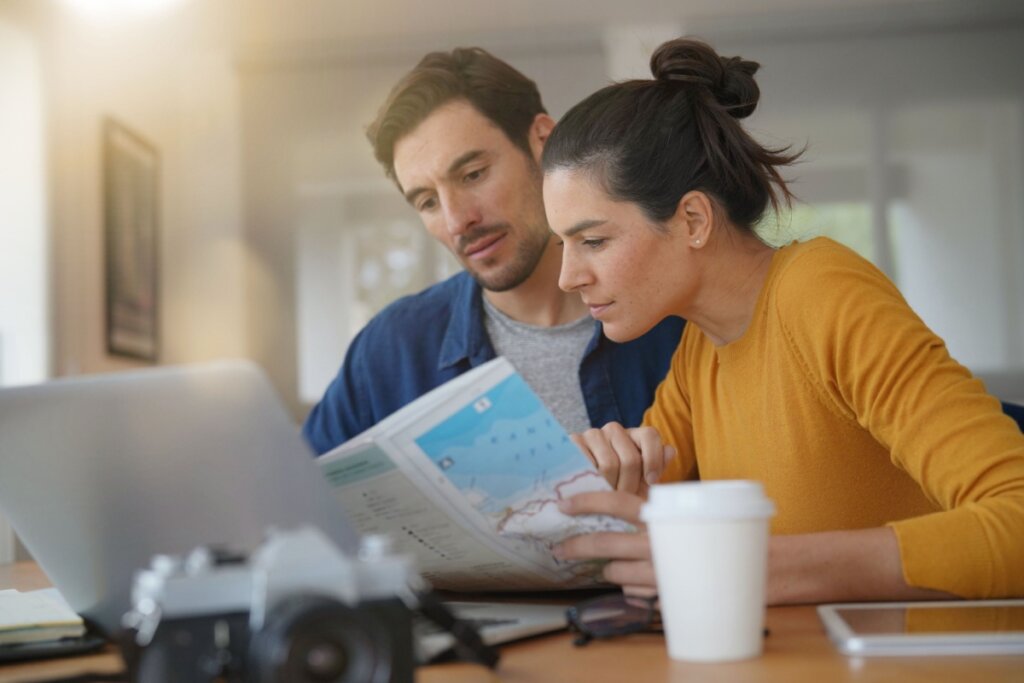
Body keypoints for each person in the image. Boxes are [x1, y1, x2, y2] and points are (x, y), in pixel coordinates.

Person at [542, 37, 1024, 603]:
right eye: (562, 245)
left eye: (593, 240)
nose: (567, 277)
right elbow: (642, 531)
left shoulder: (821, 294)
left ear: (694, 219)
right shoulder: (700, 350)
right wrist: (605, 487)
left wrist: (753, 566)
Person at [302, 47, 685, 491]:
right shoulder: (389, 353)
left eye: (473, 174)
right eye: (427, 201)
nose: (456, 220)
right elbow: (304, 510)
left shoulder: (675, 324)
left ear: (542, 141)